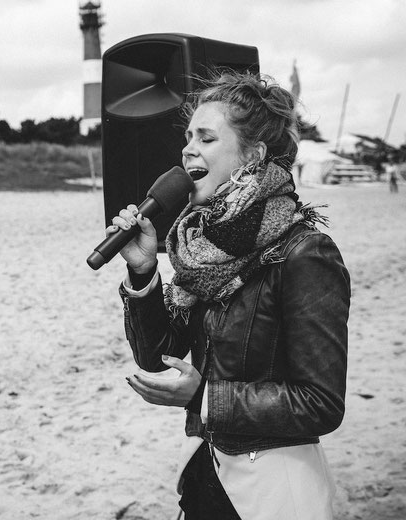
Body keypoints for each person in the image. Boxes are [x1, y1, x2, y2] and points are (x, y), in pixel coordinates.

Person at [109, 72, 350, 519]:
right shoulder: (205, 250)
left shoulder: (304, 253)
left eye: (205, 137)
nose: (187, 148)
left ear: (252, 156)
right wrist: (143, 271)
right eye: (187, 136)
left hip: (274, 489)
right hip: (210, 471)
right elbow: (156, 355)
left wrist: (205, 398)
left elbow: (321, 404)